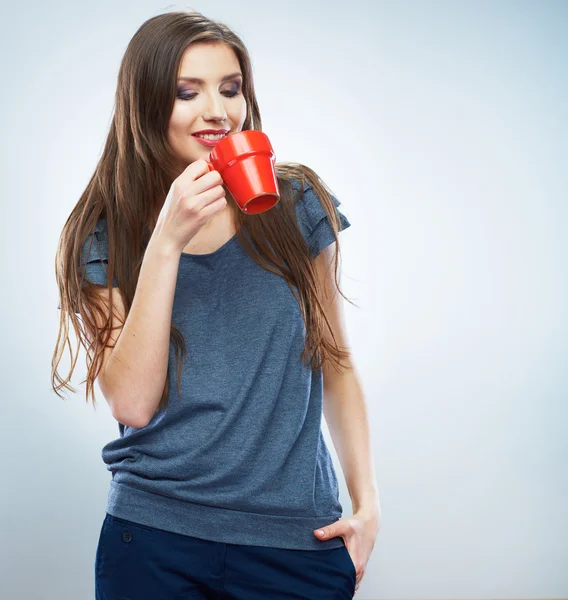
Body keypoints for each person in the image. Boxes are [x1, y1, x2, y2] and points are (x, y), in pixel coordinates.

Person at [52, 9, 380, 599]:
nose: (218, 111)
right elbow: (131, 401)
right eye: (187, 92)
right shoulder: (104, 230)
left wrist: (369, 504)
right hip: (154, 537)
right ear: (146, 103)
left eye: (231, 89)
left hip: (295, 542)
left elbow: (335, 361)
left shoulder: (297, 202)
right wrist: (166, 241)